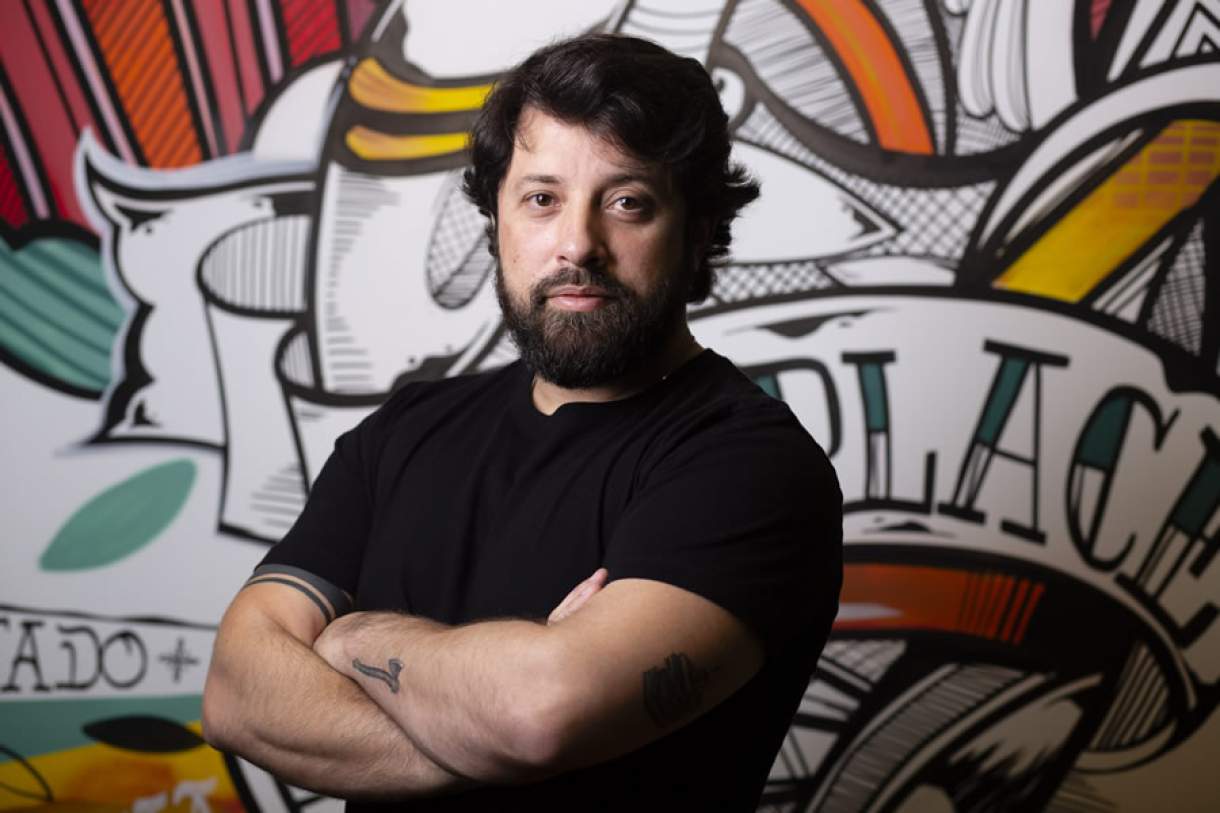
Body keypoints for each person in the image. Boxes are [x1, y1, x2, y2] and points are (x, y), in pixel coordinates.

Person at [202, 33, 842, 811]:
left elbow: (541, 714)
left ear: (698, 227)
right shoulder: (402, 433)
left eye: (627, 201)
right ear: (495, 219)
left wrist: (351, 636)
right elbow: (235, 692)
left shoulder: (749, 465)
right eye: (542, 199)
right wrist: (493, 716)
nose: (578, 244)